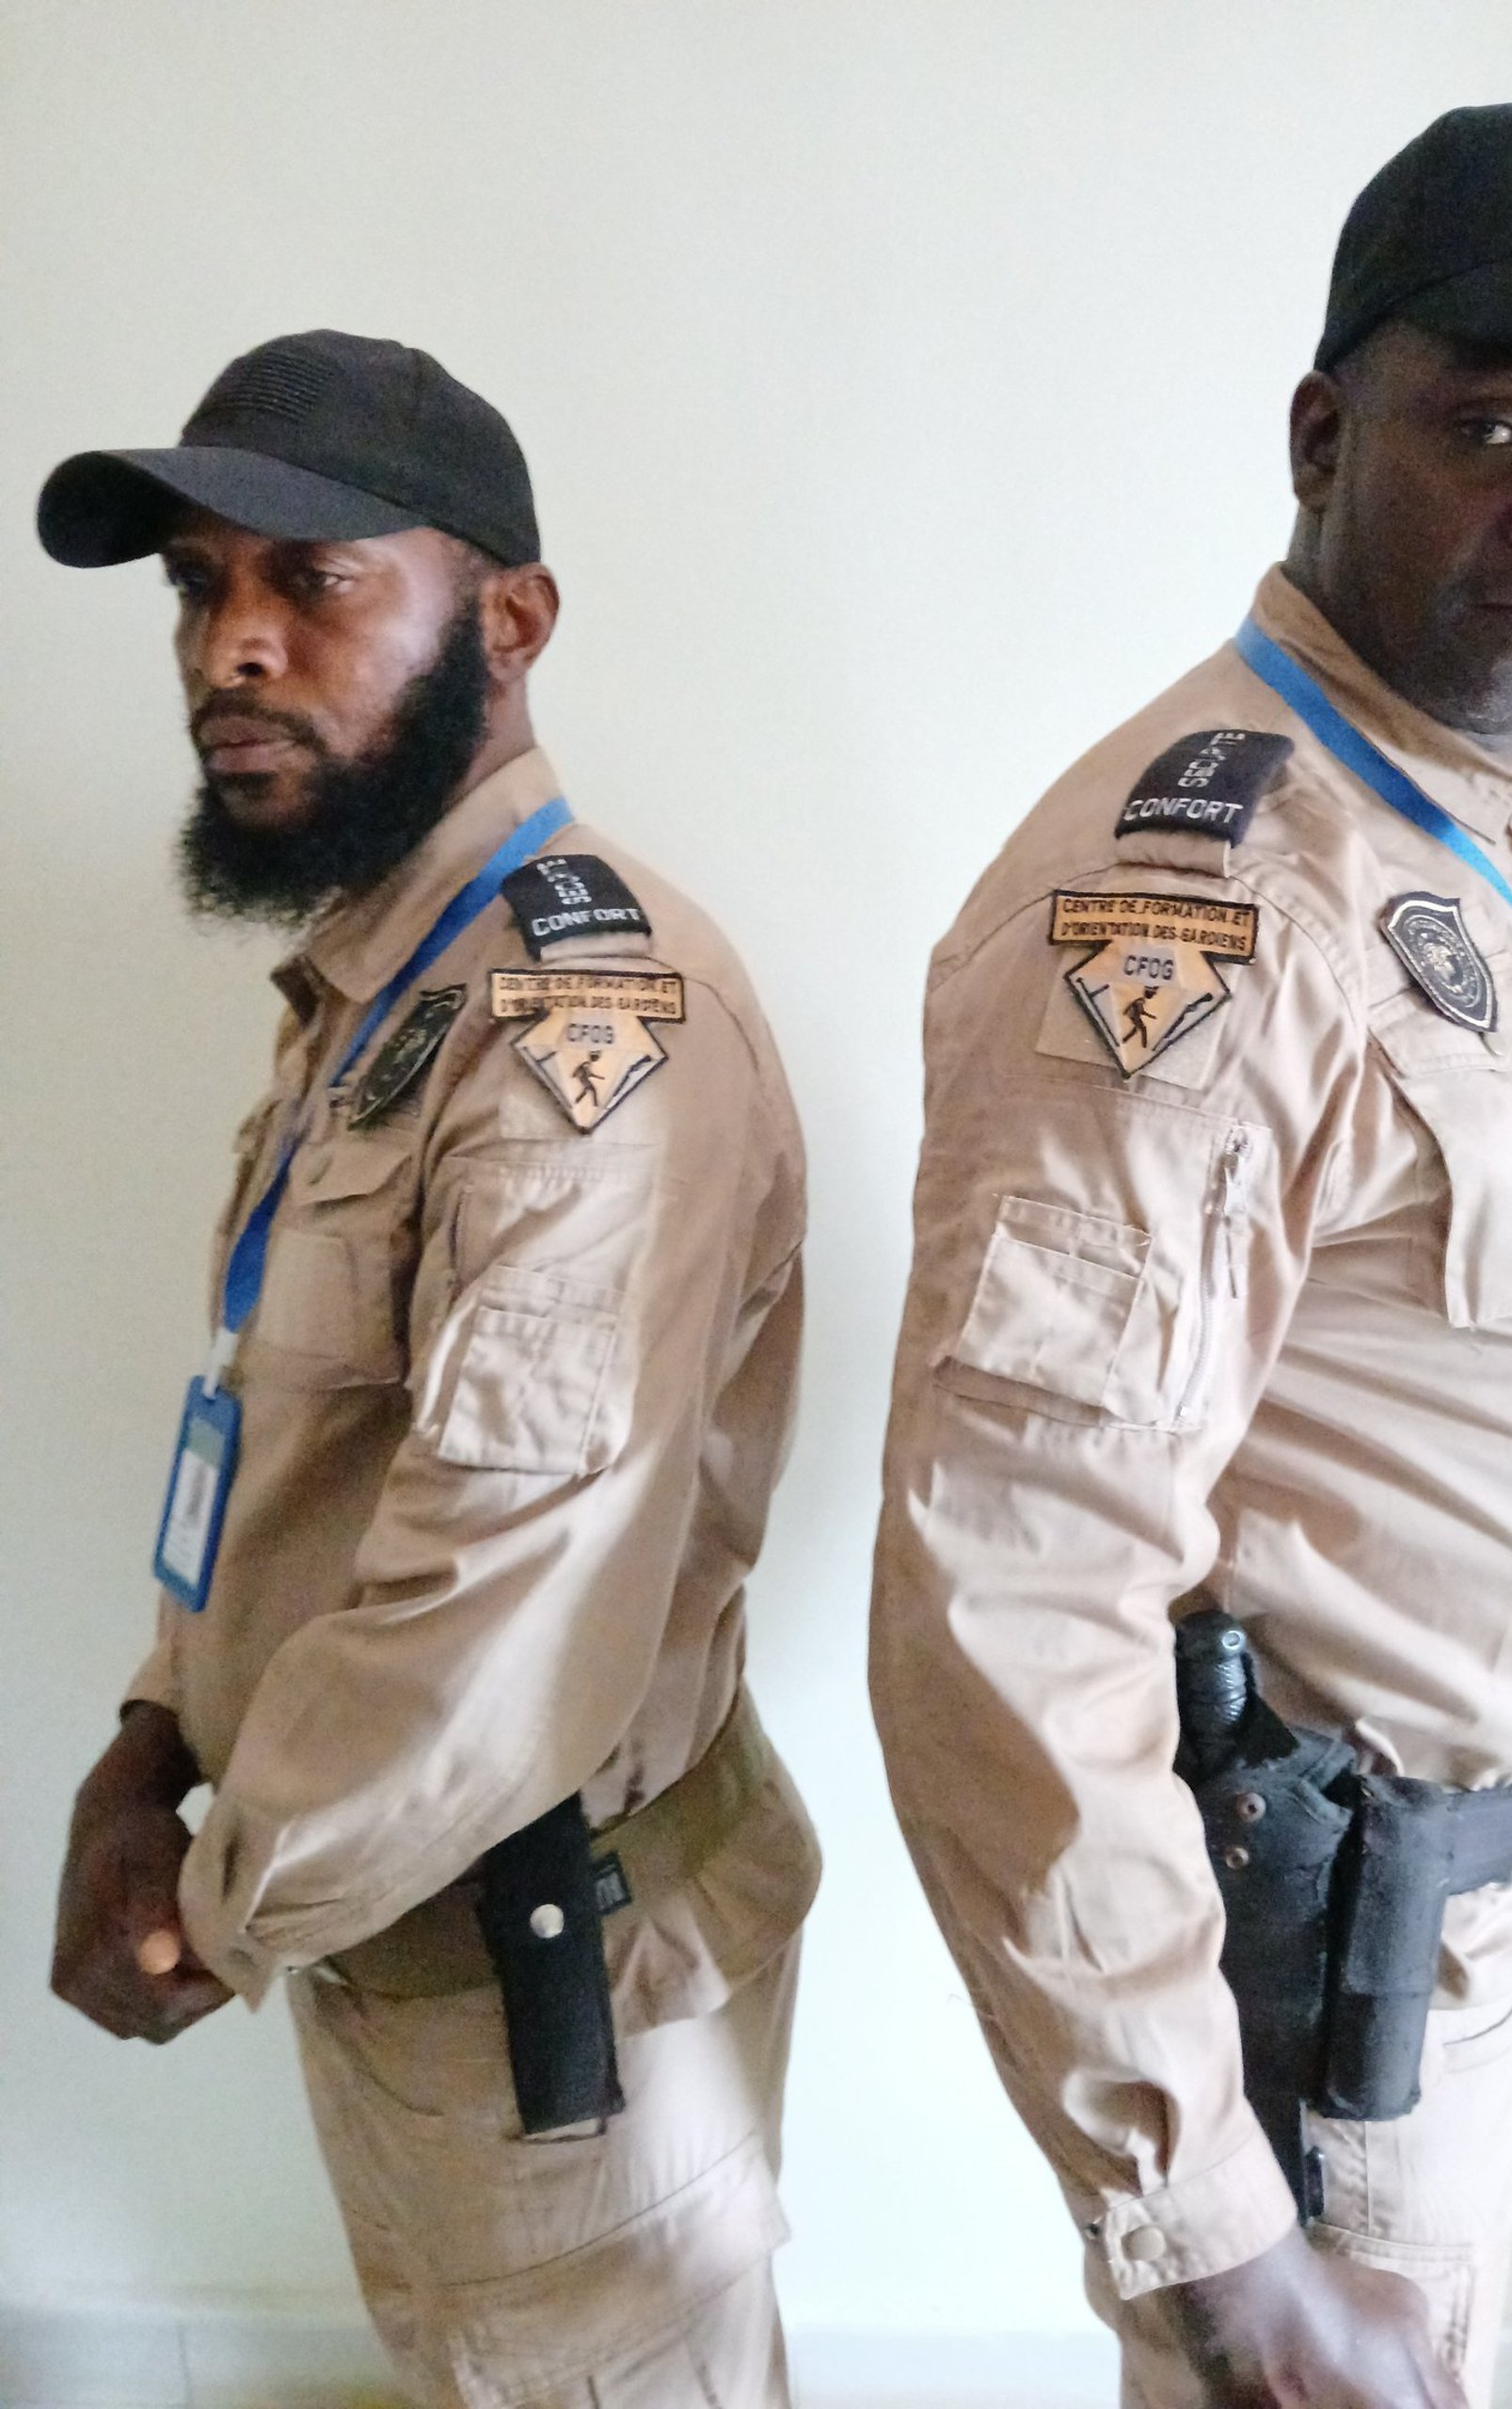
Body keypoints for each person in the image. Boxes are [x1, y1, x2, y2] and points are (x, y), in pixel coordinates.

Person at [870, 96, 1512, 2409]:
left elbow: (1417, 1371)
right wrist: (1218, 2240)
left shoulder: (1441, 812)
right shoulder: (1203, 897)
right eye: (1497, 427)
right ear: (1321, 436)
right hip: (1320, 2033)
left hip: (1458, 1916)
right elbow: (1013, 1589)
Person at [43, 329, 820, 2409]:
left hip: (543, 1988)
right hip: (412, 1932)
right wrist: (154, 1726)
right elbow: (305, 1446)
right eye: (198, 586)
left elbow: (510, 1593)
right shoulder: (388, 983)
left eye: (314, 582)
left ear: (511, 620)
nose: (232, 647)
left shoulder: (579, 1024)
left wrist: (214, 1902)